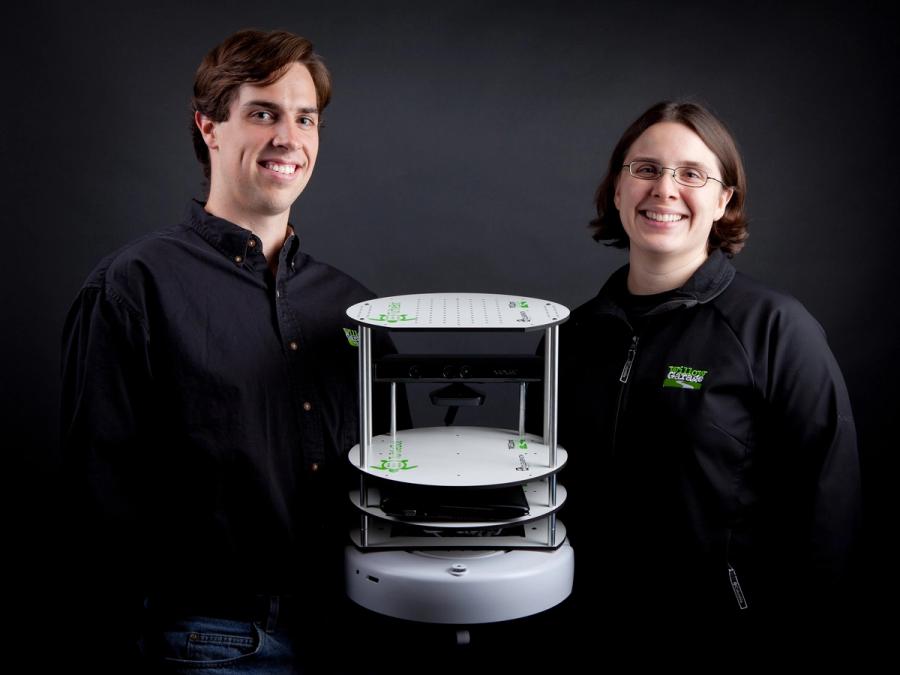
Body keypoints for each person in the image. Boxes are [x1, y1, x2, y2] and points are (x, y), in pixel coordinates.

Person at [60, 29, 399, 673]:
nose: (289, 139)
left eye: (306, 119)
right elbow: (95, 508)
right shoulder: (133, 289)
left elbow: (393, 483)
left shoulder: (357, 310)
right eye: (263, 114)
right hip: (205, 642)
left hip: (356, 631)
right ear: (209, 127)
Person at [553, 101, 861, 653]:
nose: (664, 189)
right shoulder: (573, 335)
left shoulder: (775, 328)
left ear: (724, 201)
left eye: (692, 174)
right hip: (583, 632)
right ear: (618, 190)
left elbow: (827, 508)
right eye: (646, 169)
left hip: (725, 639)